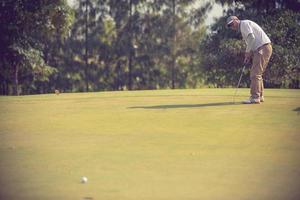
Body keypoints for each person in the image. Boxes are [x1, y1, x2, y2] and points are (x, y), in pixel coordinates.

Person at [226, 16, 272, 104]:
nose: (232, 26)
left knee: (255, 74)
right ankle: (260, 96)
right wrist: (249, 55)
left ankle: (255, 97)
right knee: (258, 73)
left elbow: (251, 38)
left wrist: (247, 52)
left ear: (236, 20)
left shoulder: (243, 24)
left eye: (232, 23)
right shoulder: (243, 26)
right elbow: (252, 41)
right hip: (262, 48)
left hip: (262, 47)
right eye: (230, 26)